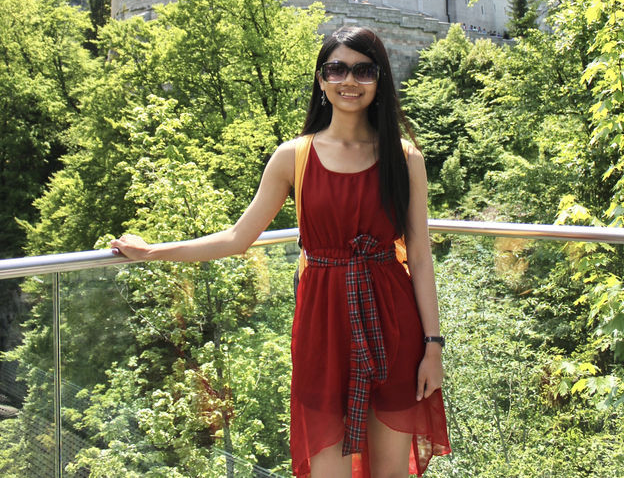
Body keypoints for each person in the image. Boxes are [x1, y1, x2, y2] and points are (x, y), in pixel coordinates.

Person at [111, 26, 451, 477]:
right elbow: (238, 237)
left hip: (393, 325)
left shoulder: (404, 157)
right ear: (321, 79)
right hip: (322, 330)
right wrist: (154, 251)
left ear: (380, 78)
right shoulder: (294, 156)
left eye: (363, 70)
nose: (349, 81)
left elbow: (421, 258)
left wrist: (433, 347)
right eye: (337, 69)